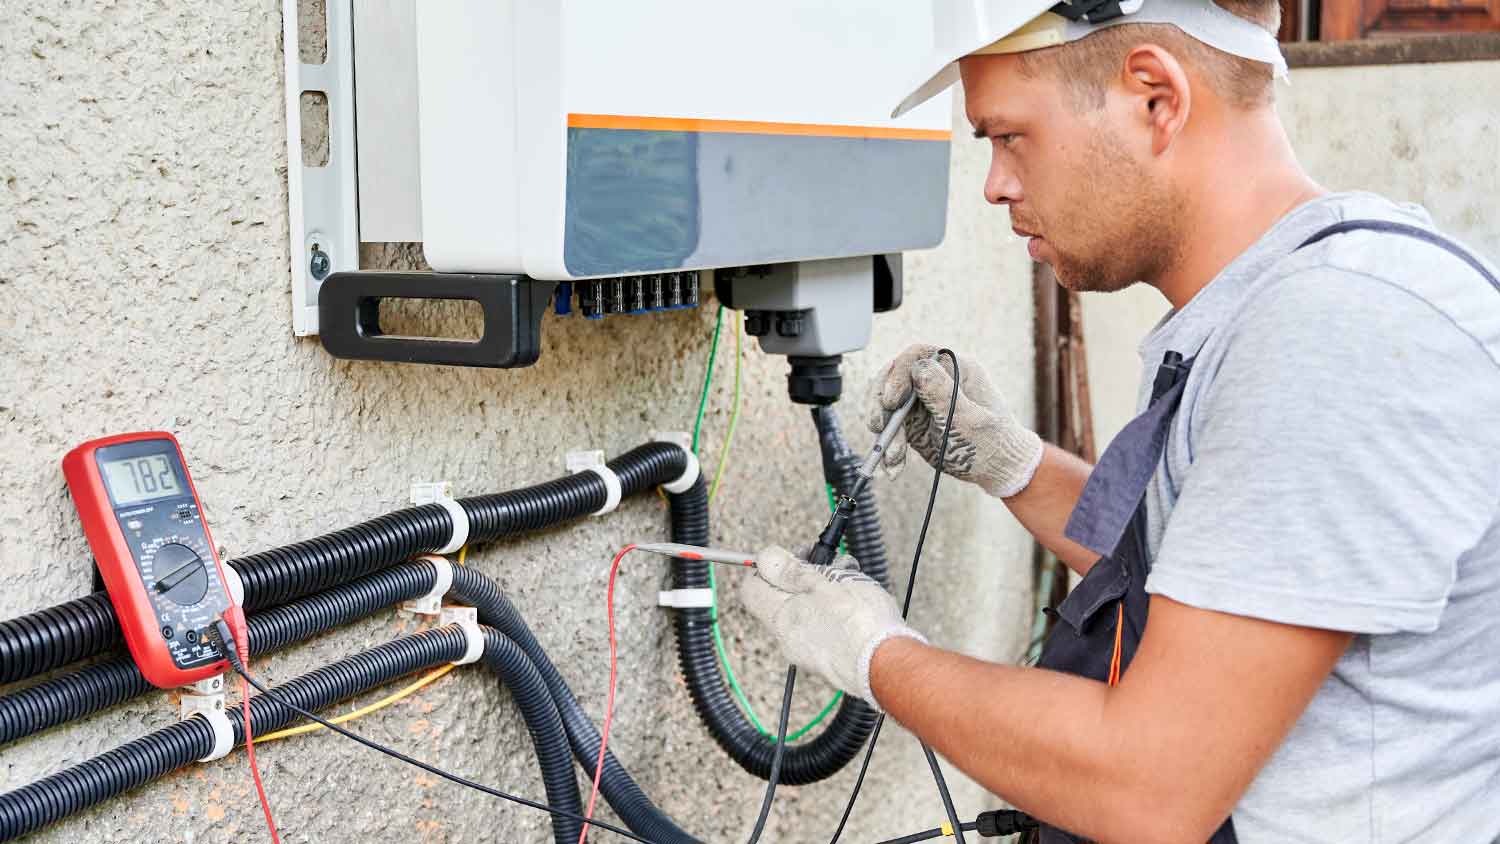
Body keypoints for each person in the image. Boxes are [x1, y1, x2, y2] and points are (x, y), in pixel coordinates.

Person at [738, 1, 1500, 842]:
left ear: (1154, 97)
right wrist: (1014, 467)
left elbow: (1149, 788)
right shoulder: (1287, 300)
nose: (993, 182)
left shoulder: (1332, 335)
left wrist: (877, 656)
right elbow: (1218, 575)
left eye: (1010, 135)